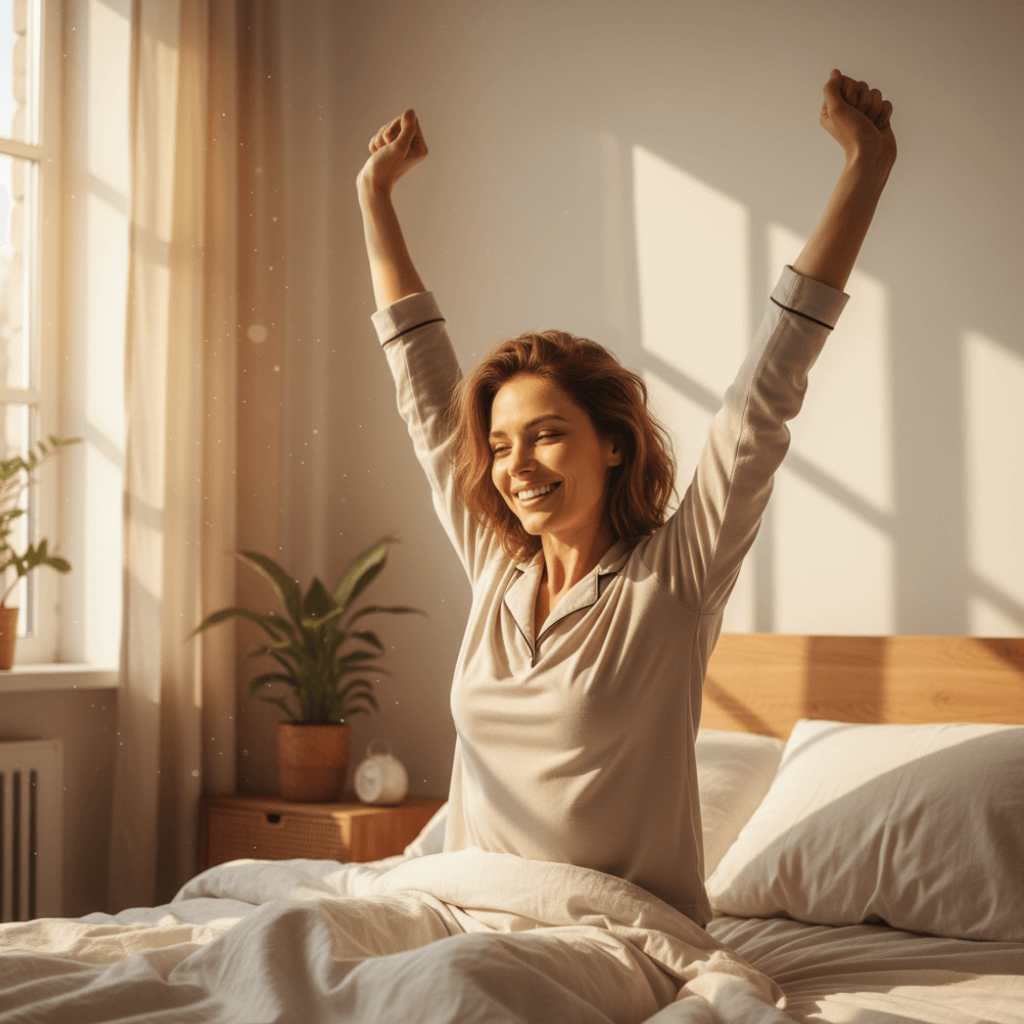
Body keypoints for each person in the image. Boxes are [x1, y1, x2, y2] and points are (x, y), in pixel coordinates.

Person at [355, 70, 895, 1016]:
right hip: (457, 904)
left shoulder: (672, 580)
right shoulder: (495, 568)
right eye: (500, 443)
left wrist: (867, 165)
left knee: (447, 995)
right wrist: (374, 197)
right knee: (291, 944)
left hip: (610, 936)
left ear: (612, 441)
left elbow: (768, 389)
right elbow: (421, 385)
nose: (516, 464)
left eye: (547, 434)